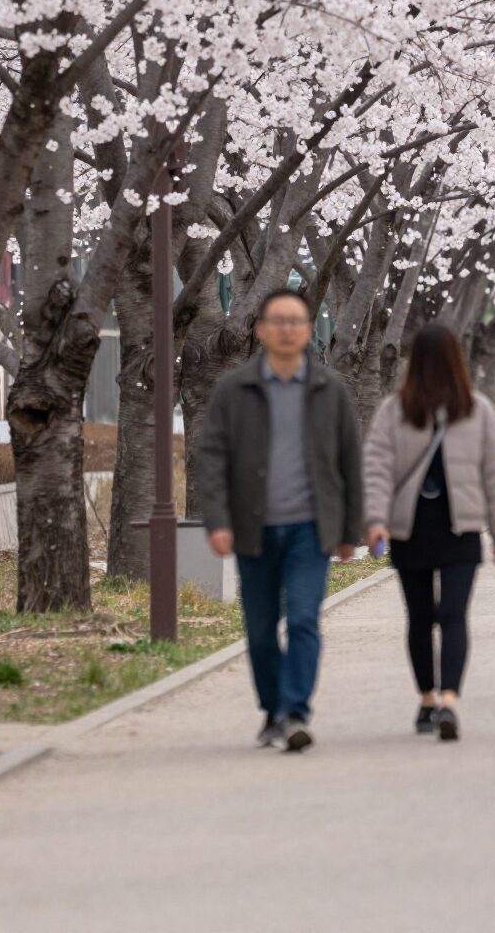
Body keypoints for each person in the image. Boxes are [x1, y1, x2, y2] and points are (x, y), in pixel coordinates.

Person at [199, 288, 363, 752]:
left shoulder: (330, 389)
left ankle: (295, 712)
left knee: (305, 619)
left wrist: (350, 529)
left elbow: (350, 460)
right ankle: (272, 710)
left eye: (297, 321)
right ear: (261, 330)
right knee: (260, 627)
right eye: (279, 321)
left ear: (309, 329)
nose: (288, 329)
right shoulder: (235, 389)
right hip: (253, 528)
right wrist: (217, 521)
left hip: (312, 528)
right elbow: (212, 459)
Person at [364, 324, 495, 743]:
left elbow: (375, 471)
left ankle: (432, 700)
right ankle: (448, 698)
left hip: (426, 528)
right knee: (451, 617)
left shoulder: (455, 409)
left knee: (422, 618)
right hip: (443, 527)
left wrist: (376, 519)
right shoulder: (459, 408)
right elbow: (494, 477)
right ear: (456, 360)